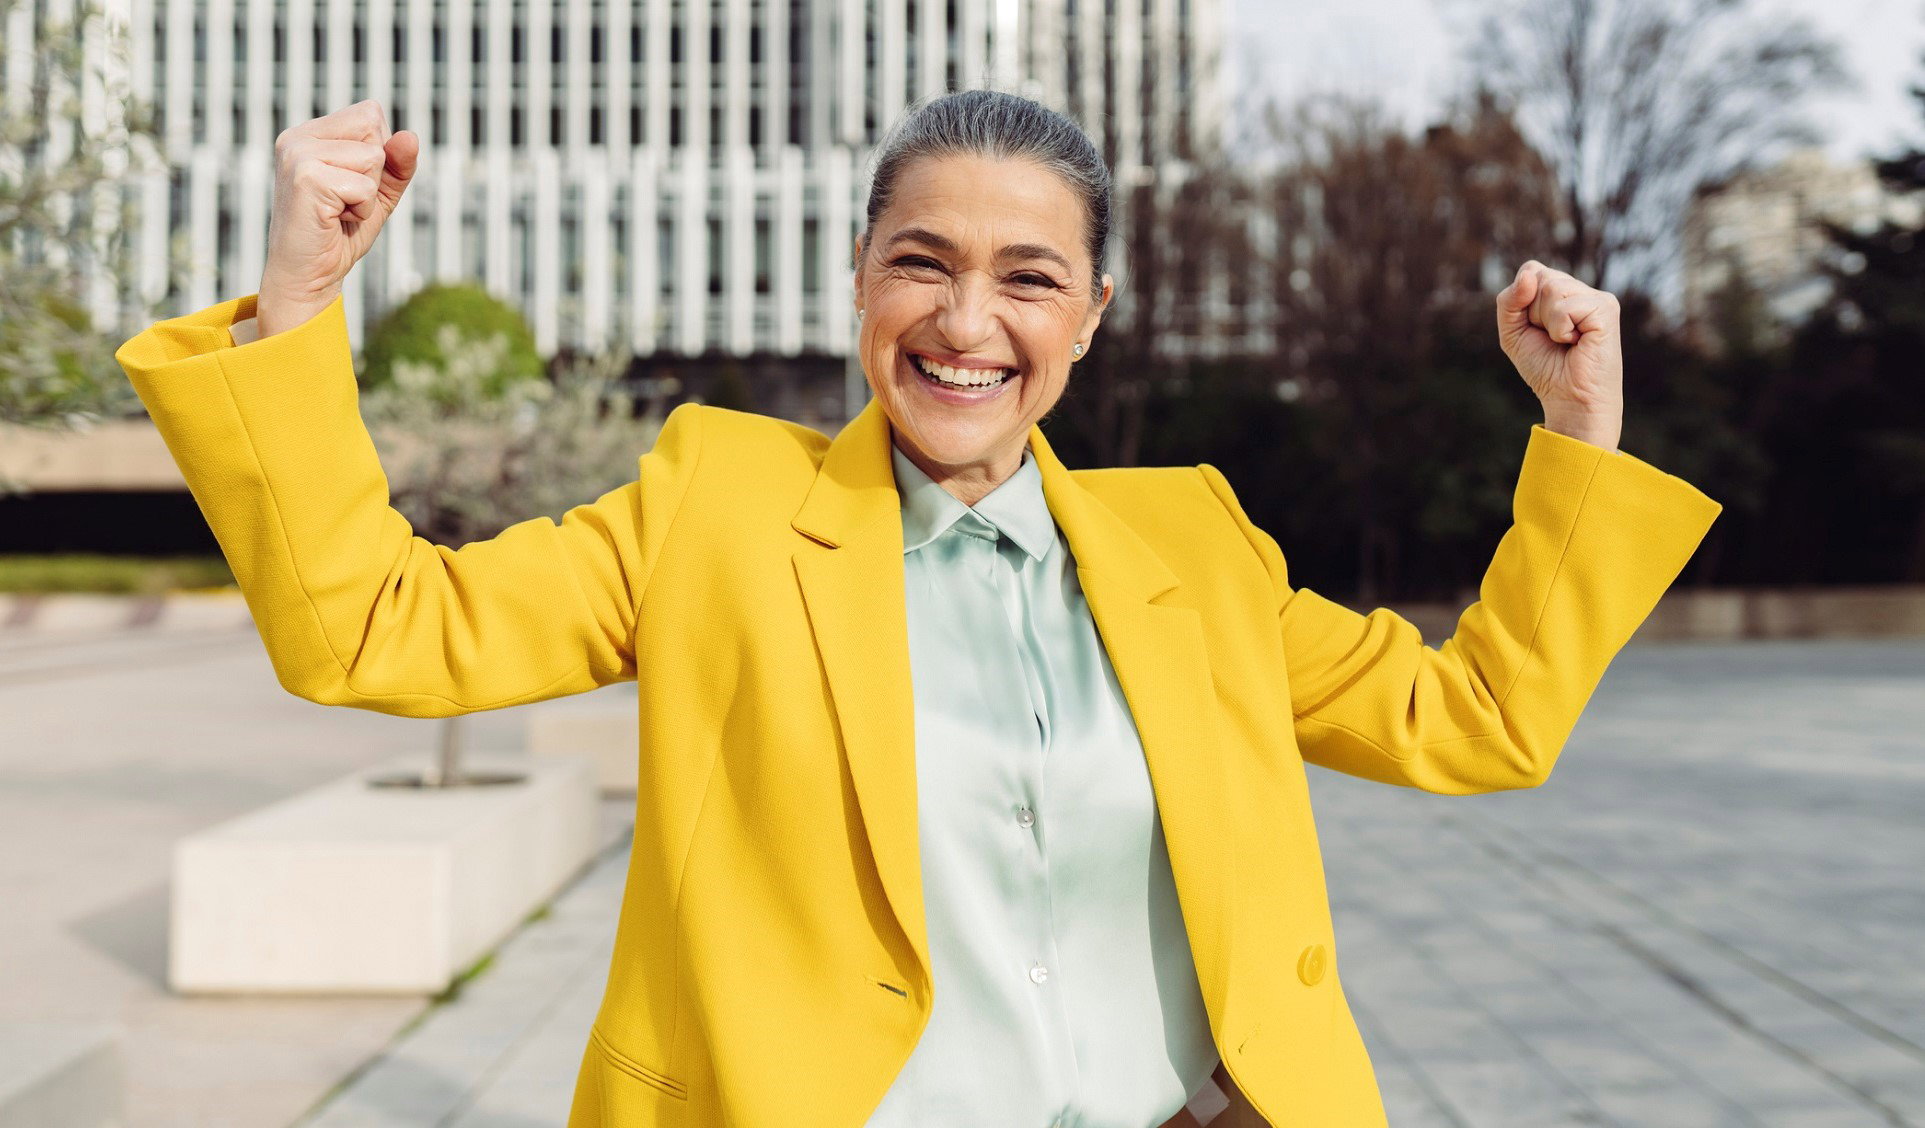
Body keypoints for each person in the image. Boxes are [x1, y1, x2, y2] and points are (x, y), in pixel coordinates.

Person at [115, 89, 1722, 1128]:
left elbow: (1478, 724)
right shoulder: (715, 505)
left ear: (1091, 317)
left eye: (1028, 278)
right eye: (920, 263)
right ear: (861, 280)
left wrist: (1578, 432)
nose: (966, 322)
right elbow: (371, 630)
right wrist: (301, 305)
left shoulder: (1197, 547)